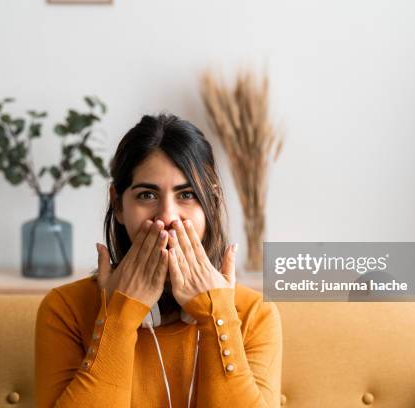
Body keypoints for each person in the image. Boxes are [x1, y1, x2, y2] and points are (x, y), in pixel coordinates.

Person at [34, 113, 282, 407]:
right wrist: (118, 320)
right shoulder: (66, 309)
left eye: (187, 194)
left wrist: (218, 316)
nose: (167, 216)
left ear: (211, 205)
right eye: (148, 194)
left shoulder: (253, 314)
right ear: (118, 204)